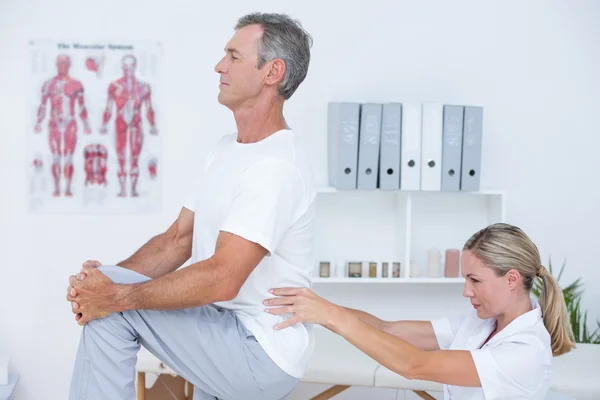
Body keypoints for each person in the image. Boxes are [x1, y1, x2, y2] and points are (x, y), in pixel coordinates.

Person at [66, 12, 315, 400]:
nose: (219, 66)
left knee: (112, 313)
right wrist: (102, 283)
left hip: (256, 349)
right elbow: (176, 240)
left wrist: (115, 296)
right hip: (219, 332)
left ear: (272, 72)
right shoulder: (224, 151)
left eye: (234, 57)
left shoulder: (276, 166)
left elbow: (222, 277)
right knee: (109, 300)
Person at [265, 223, 575, 399]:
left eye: (474, 280)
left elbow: (416, 365)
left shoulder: (525, 350)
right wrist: (319, 307)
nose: (466, 291)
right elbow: (389, 330)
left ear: (511, 279)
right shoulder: (482, 324)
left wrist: (331, 316)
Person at [99, 54, 158, 197]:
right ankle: (122, 190)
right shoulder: (114, 86)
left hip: (136, 125)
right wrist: (104, 124)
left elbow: (148, 108)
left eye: (131, 67)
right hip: (120, 125)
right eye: (126, 67)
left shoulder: (143, 87)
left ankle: (133, 190)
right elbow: (108, 107)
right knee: (121, 158)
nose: (128, 71)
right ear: (122, 68)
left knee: (134, 159)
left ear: (135, 67)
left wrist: (152, 125)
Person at [34, 54, 92, 197]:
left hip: (70, 123)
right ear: (56, 65)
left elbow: (82, 106)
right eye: (60, 64)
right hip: (54, 122)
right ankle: (56, 188)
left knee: (68, 156)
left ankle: (67, 189)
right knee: (55, 156)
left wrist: (86, 124)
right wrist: (38, 122)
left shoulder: (76, 84)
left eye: (65, 64)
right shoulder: (48, 84)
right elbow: (42, 105)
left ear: (69, 65)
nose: (63, 66)